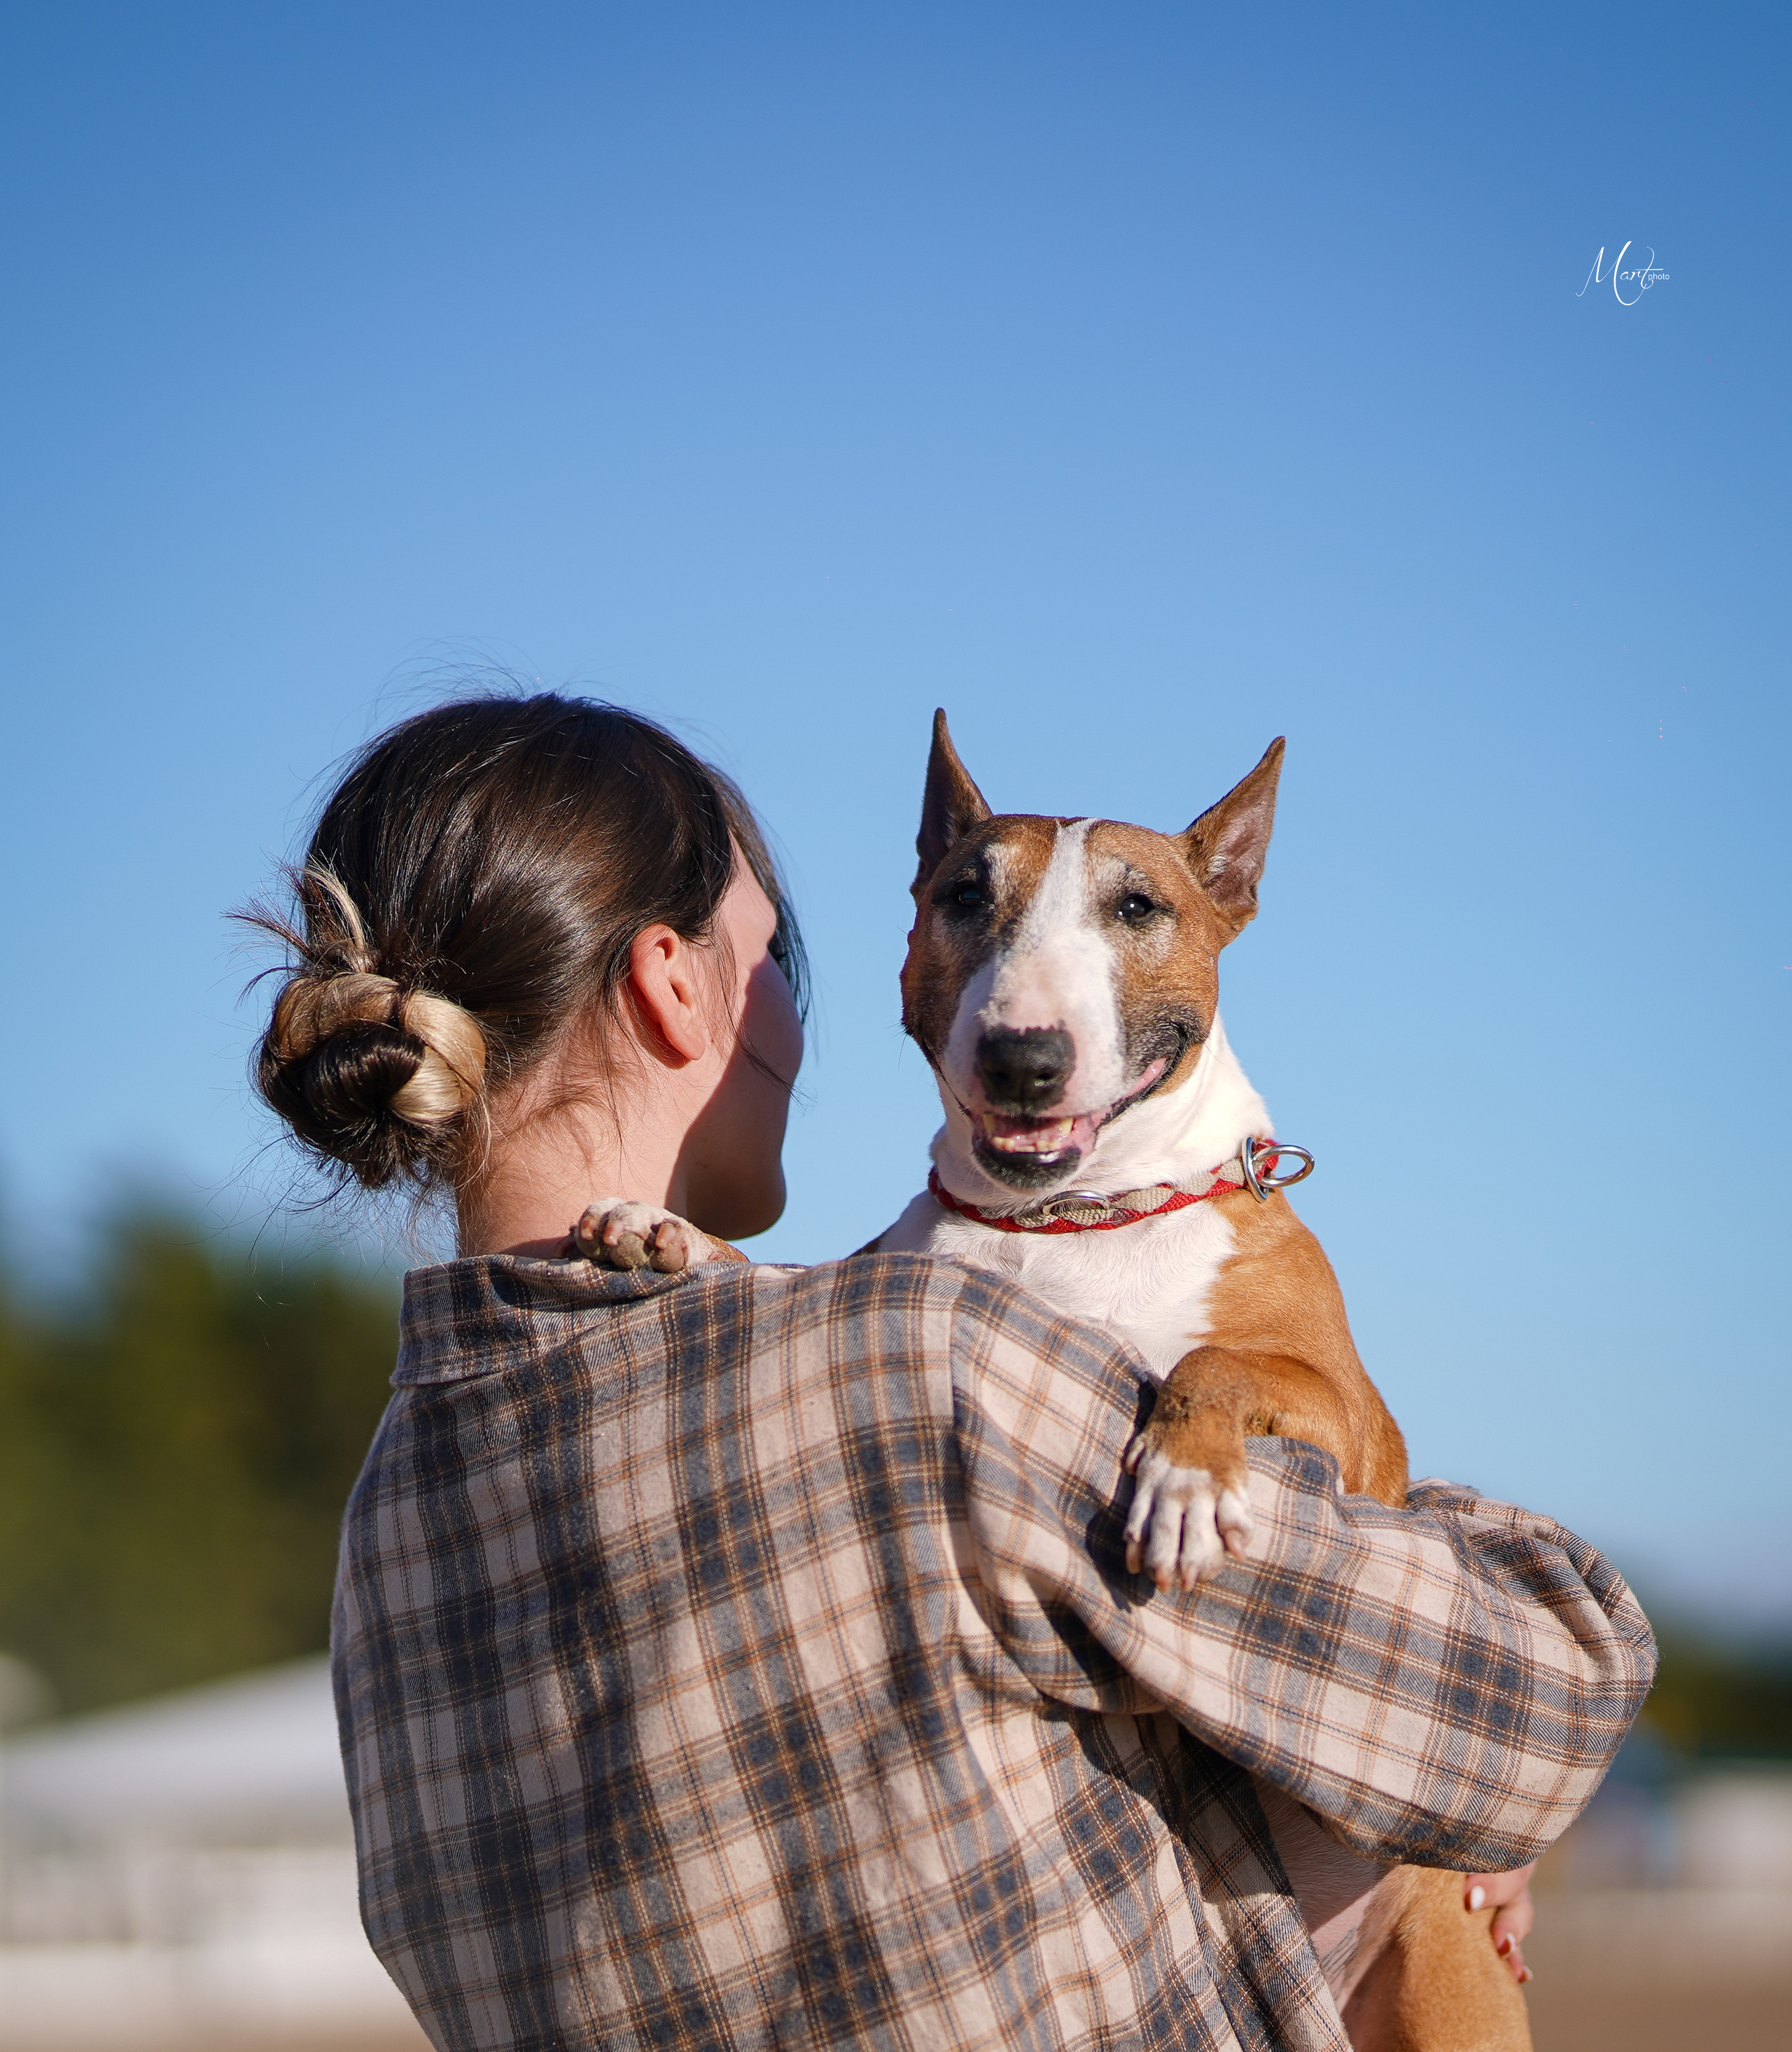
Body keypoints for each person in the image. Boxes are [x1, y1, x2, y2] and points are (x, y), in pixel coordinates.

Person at [252, 692, 1653, 2052]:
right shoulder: (930, 1360)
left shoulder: (382, 1524)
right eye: (777, 959)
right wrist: (1440, 1768)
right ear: (672, 988)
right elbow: (1534, 1700)